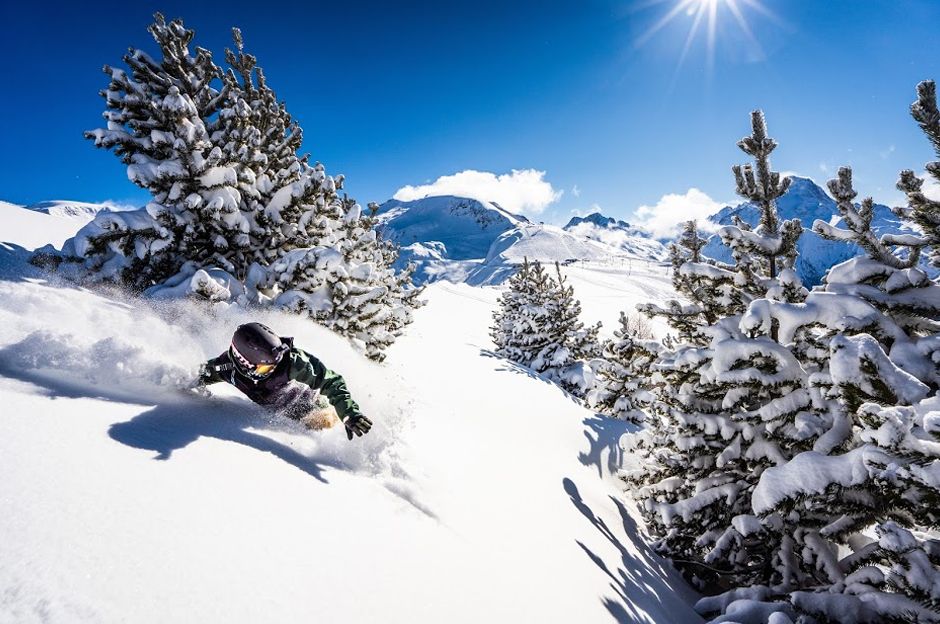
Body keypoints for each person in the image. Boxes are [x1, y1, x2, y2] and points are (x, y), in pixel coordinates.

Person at [198, 322, 373, 440]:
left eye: (275, 363)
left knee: (324, 423)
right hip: (282, 420)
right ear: (245, 363)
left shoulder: (292, 362)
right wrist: (178, 381)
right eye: (265, 368)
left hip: (316, 410)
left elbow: (331, 381)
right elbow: (197, 375)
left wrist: (349, 413)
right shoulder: (226, 368)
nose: (273, 369)